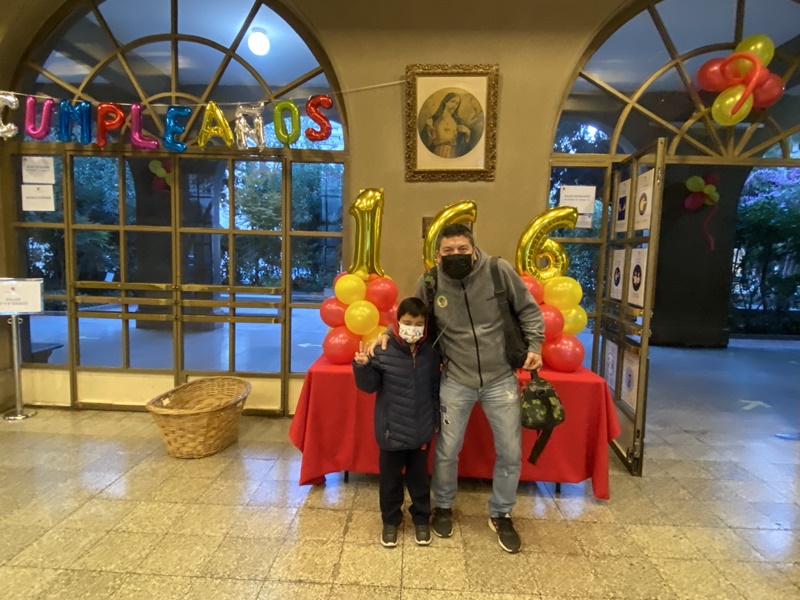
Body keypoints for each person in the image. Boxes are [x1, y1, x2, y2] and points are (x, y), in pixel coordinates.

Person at [369, 224, 544, 554]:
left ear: (473, 249)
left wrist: (535, 345)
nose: (456, 255)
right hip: (455, 379)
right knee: (448, 450)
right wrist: (386, 334)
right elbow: (412, 317)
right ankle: (444, 507)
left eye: (462, 249)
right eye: (448, 251)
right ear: (438, 254)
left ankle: (501, 513)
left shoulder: (498, 271)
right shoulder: (431, 282)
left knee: (510, 452)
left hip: (501, 379)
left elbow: (528, 309)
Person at [353, 297, 441, 548]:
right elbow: (369, 386)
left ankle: (421, 519)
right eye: (408, 322)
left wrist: (434, 420)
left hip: (421, 430)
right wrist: (362, 366)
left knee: (419, 481)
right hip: (390, 431)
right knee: (390, 482)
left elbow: (435, 389)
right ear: (397, 322)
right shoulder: (381, 349)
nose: (413, 328)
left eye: (419, 324)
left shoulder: (430, 353)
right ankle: (390, 521)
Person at [420, 92, 473, 158]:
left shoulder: (458, 121)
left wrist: (467, 132)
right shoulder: (434, 119)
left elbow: (463, 146)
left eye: (457, 103)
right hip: (437, 153)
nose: (455, 105)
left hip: (453, 154)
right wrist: (428, 127)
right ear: (446, 102)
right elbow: (424, 141)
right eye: (452, 101)